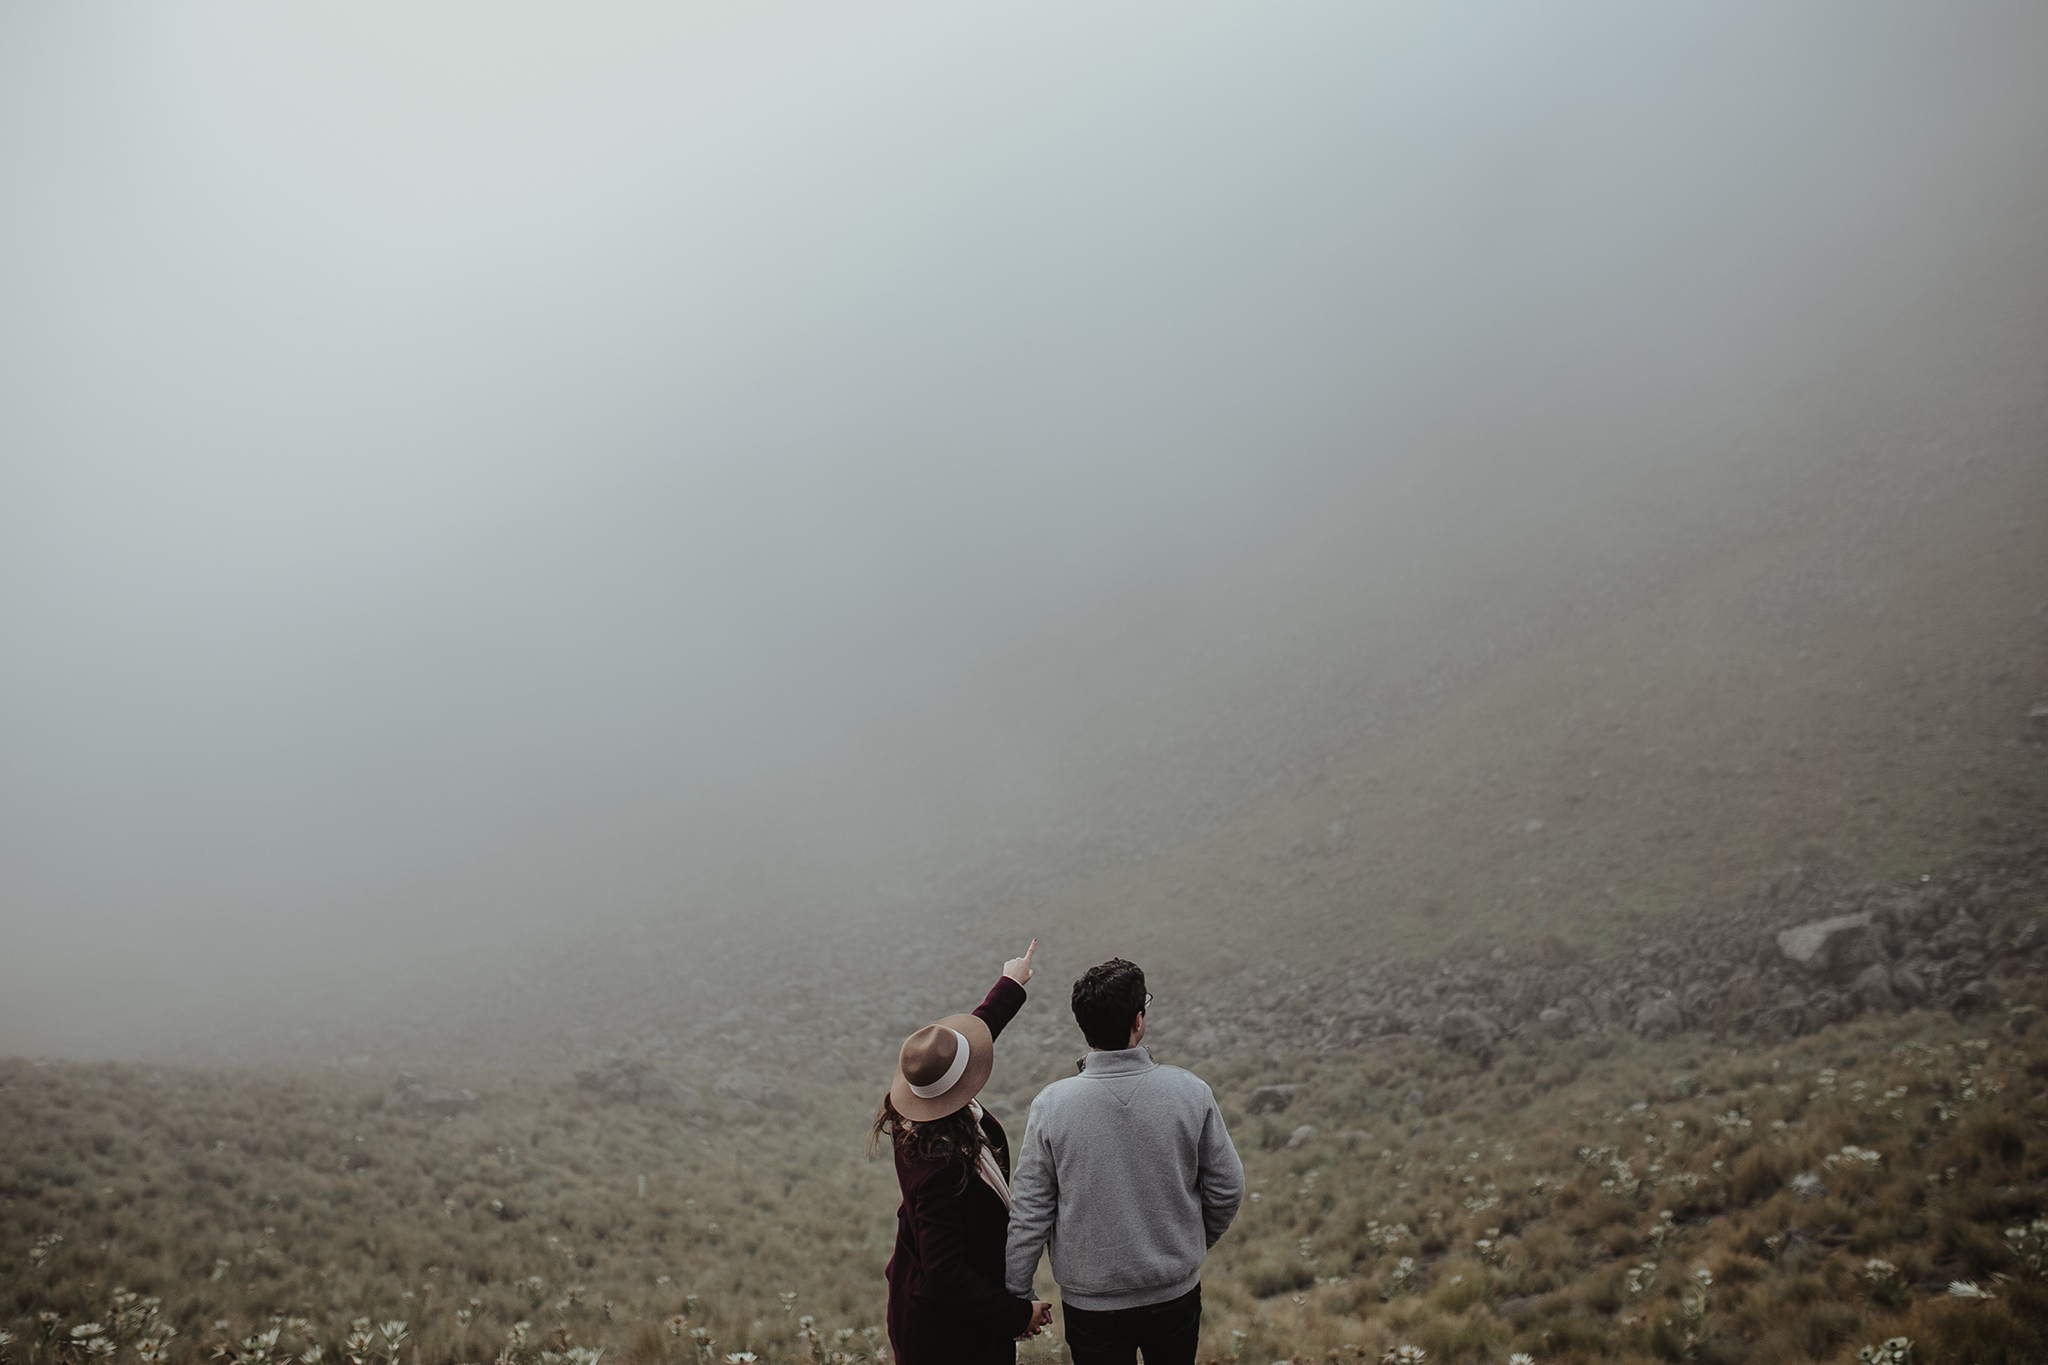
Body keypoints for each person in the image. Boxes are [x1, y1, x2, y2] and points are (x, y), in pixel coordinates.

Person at [1004, 958, 1244, 1365]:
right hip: (1175, 1295)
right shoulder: (1190, 1091)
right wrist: (1184, 1245)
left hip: (1092, 1306)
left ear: (1084, 1026)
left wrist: (1018, 1295)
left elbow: (1031, 1211)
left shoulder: (1051, 1105)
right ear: (1139, 1019)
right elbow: (1228, 1188)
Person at [875, 941, 1055, 1364]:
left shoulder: (924, 1116)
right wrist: (1016, 1314)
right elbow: (944, 1270)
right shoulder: (939, 1164)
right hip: (944, 1334)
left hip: (951, 1317)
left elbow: (968, 1039)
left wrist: (1010, 982)